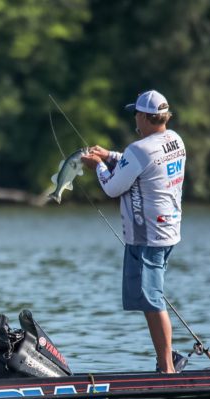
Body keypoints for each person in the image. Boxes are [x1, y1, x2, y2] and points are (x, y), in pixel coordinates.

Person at [80, 90, 186, 373]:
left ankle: (166, 367)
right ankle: (166, 360)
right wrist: (110, 155)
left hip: (146, 235)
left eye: (136, 114)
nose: (135, 119)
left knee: (152, 300)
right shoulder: (175, 140)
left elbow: (113, 187)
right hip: (168, 231)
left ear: (144, 117)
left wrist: (99, 165)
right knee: (152, 297)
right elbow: (138, 164)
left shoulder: (139, 149)